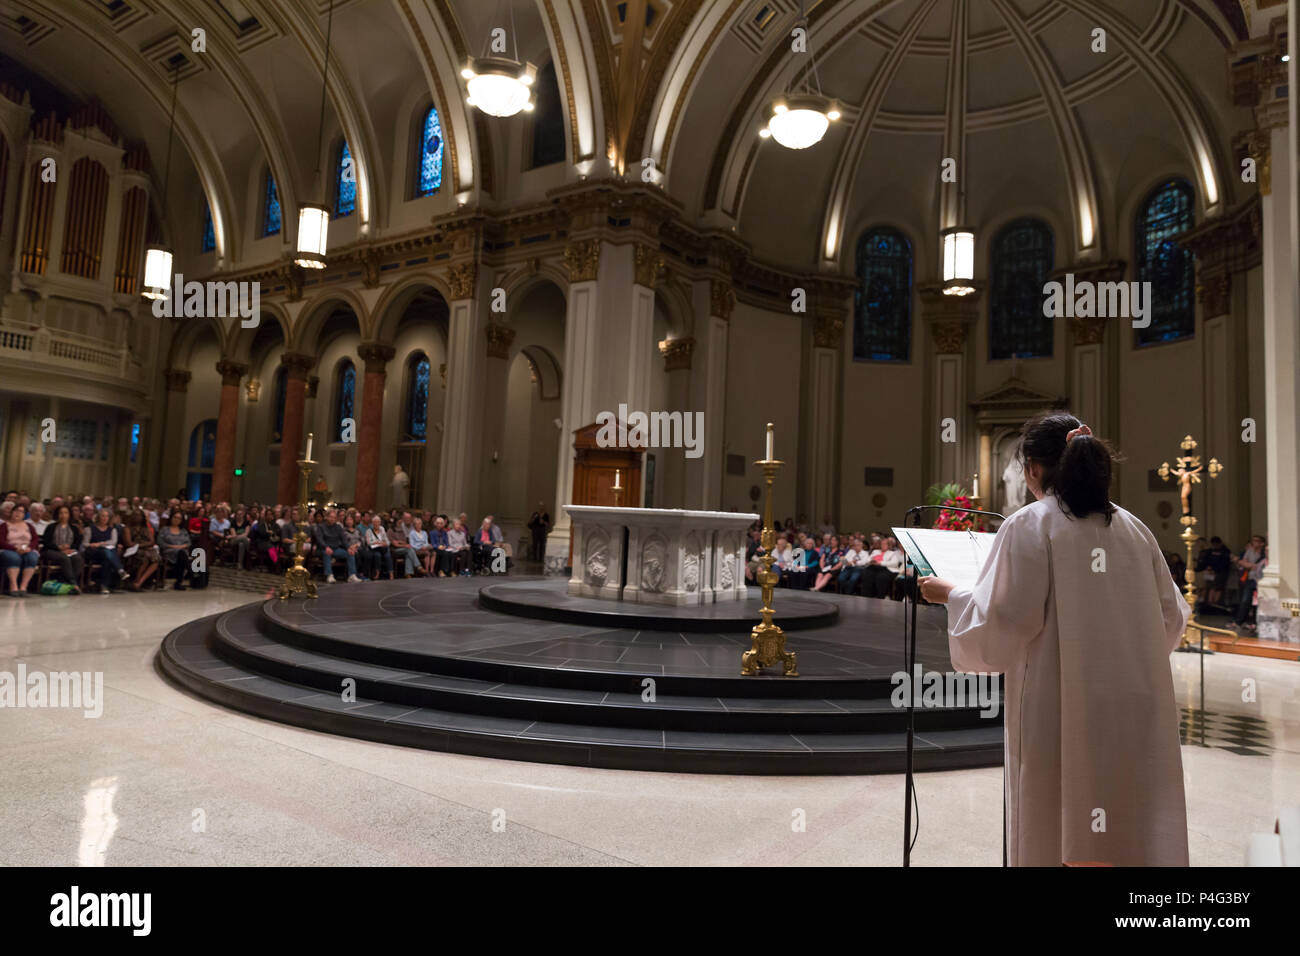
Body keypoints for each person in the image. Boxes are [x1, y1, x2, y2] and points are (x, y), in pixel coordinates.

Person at [918, 412, 1189, 866]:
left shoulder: (1030, 524)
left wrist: (952, 594)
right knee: (1125, 819)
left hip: (1058, 705)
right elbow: (1172, 617)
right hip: (1132, 702)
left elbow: (1003, 624)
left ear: (1032, 469)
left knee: (1056, 820)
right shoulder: (1133, 528)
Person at [83, 508, 129, 594]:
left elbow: (113, 542)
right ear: (98, 517)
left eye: (107, 516)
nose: (104, 518)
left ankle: (104, 586)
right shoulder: (89, 529)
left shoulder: (112, 530)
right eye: (103, 516)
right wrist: (93, 545)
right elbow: (85, 543)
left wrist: (100, 544)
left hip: (106, 553)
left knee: (107, 558)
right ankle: (120, 569)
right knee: (107, 552)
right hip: (94, 552)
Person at [41, 504, 84, 592]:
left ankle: (66, 583)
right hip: (52, 550)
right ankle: (73, 584)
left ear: (69, 515)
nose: (63, 515)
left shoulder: (74, 528)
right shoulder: (51, 527)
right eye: (61, 513)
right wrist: (59, 548)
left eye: (66, 513)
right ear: (57, 515)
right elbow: (46, 542)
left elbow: (77, 542)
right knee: (64, 557)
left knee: (78, 558)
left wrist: (70, 548)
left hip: (69, 550)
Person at [1, 504, 41, 596]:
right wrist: (15, 548)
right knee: (14, 558)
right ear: (12, 512)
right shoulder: (4, 525)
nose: (18, 513)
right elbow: (1, 541)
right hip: (9, 548)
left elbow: (35, 539)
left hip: (26, 549)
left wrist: (29, 548)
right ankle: (13, 586)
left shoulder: (29, 526)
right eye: (16, 511)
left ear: (24, 515)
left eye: (21, 512)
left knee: (32, 558)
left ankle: (23, 587)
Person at [1233, 535, 1267, 631]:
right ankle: (1239, 621)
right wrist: (1251, 565)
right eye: (1253, 540)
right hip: (1250, 579)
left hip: (1260, 580)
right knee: (1245, 600)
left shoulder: (1264, 553)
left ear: (1262, 543)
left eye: (1256, 541)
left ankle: (1256, 623)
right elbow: (1243, 562)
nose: (1254, 542)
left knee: (1258, 602)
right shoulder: (1249, 551)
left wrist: (1250, 565)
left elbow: (1261, 565)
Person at [158, 512, 192, 589]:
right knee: (181, 554)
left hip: (182, 552)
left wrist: (180, 547)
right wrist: (174, 547)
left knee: (181, 554)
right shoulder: (164, 529)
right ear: (171, 518)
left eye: (179, 518)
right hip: (169, 552)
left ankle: (179, 582)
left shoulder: (183, 531)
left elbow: (188, 543)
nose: (177, 520)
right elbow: (160, 542)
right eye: (175, 517)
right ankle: (190, 572)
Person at [364, 514, 394, 580]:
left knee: (388, 556)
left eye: (378, 522)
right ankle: (377, 573)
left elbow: (387, 541)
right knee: (377, 555)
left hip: (383, 548)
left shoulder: (382, 529)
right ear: (372, 523)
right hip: (375, 549)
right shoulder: (368, 531)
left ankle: (391, 574)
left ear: (380, 523)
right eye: (375, 522)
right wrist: (376, 542)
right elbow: (368, 543)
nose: (376, 524)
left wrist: (384, 543)